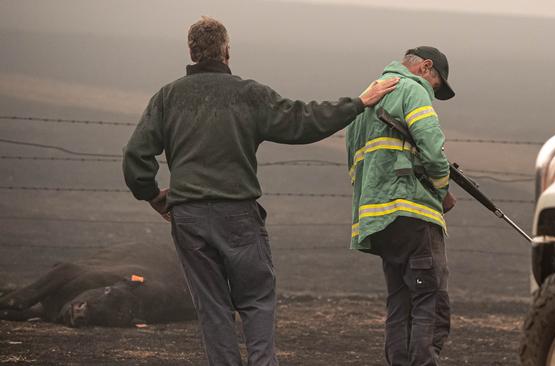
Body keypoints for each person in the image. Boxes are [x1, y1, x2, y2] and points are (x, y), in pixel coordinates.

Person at [122, 16, 398, 366]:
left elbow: (135, 155)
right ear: (226, 51)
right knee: (256, 300)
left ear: (191, 51)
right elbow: (303, 120)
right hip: (237, 214)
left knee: (211, 305)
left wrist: (151, 195)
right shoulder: (249, 94)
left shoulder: (168, 97)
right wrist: (358, 103)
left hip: (188, 215)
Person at [345, 46, 456, 366]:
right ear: (425, 67)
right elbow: (434, 152)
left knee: (399, 304)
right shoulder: (413, 90)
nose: (433, 91)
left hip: (377, 219)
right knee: (429, 302)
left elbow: (354, 164)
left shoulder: (366, 97)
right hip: (413, 212)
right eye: (436, 84)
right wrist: (440, 189)